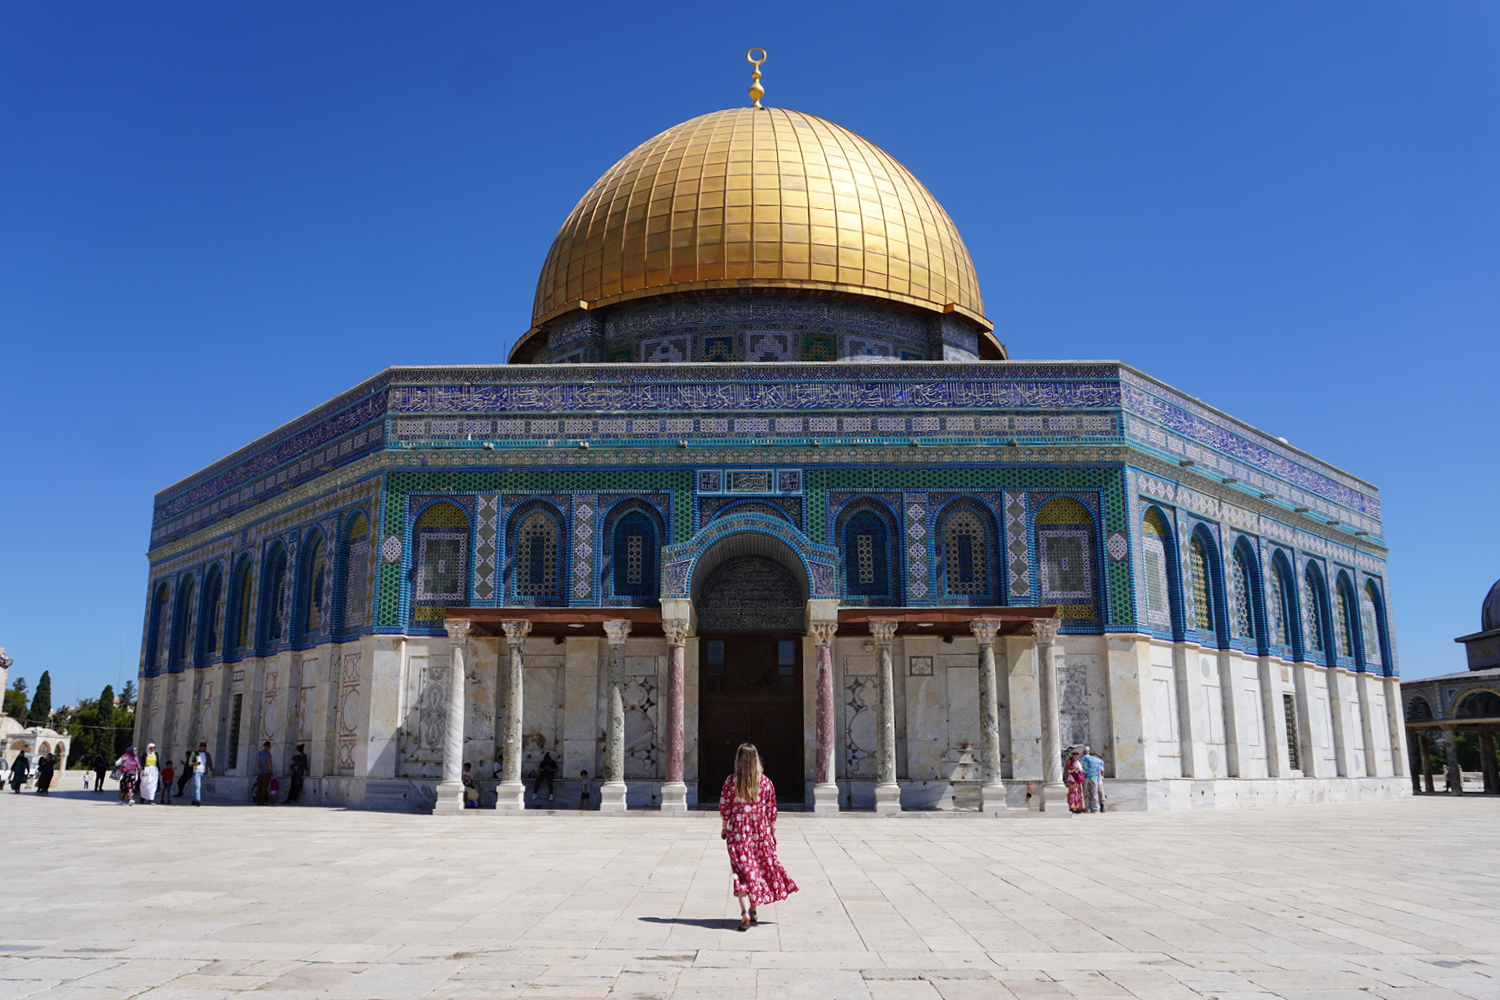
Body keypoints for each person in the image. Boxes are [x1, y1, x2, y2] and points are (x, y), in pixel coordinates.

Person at [719, 743, 798, 932]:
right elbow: (771, 810)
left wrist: (724, 827)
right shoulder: (765, 782)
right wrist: (773, 832)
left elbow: (725, 807)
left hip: (739, 833)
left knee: (742, 872)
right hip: (760, 833)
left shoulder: (731, 782)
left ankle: (745, 911)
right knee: (757, 870)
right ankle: (753, 911)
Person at [1079, 746, 1105, 814]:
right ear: (1089, 752)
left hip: (1085, 777)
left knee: (1086, 793)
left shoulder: (1081, 759)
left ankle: (1086, 808)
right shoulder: (1096, 760)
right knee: (1094, 793)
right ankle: (1095, 808)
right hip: (1094, 777)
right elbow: (1100, 768)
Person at [1064, 747, 1085, 814]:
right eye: (1074, 754)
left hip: (1078, 779)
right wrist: (1075, 770)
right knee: (1072, 793)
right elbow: (1068, 771)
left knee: (1078, 793)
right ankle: (1072, 807)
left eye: (1077, 754)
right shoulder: (1069, 762)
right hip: (1072, 779)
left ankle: (1078, 806)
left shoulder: (1079, 762)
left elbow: (1082, 770)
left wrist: (1081, 771)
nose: (1076, 755)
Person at [190, 742, 212, 806]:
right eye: (200, 747)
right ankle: (198, 800)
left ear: (205, 748)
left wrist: (212, 770)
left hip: (204, 772)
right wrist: (195, 764)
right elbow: (190, 762)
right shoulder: (195, 753)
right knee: (197, 786)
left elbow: (210, 763)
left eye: (203, 747)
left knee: (198, 787)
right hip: (197, 772)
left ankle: (194, 800)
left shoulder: (207, 755)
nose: (201, 748)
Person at [254, 741, 274, 805]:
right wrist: (271, 771)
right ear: (269, 747)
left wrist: (258, 770)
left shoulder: (258, 753)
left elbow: (257, 763)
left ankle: (258, 800)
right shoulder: (268, 754)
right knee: (264, 787)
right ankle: (262, 801)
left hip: (259, 772)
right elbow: (269, 764)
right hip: (266, 772)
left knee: (259, 786)